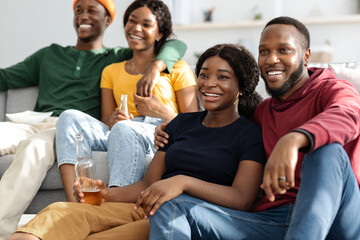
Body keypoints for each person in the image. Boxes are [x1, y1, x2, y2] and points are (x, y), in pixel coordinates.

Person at [7, 43, 266, 240]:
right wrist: (106, 194)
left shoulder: (249, 134)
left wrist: (183, 181)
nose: (209, 83)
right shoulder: (180, 124)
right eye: (204, 74)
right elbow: (147, 184)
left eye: (222, 77)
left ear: (242, 85)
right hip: (141, 207)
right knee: (57, 213)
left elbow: (242, 198)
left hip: (176, 217)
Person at [152, 16, 360, 239]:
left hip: (335, 218)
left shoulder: (333, 90)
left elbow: (349, 114)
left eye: (283, 50)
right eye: (264, 51)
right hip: (271, 222)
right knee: (172, 206)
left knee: (325, 150)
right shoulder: (262, 112)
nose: (271, 59)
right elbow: (222, 132)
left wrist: (295, 139)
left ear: (306, 56)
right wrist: (170, 129)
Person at [0, 0, 187, 238]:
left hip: (68, 128)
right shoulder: (51, 54)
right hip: (30, 122)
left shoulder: (116, 56)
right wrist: (112, 119)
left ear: (108, 20)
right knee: (60, 122)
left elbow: (175, 44)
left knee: (38, 147)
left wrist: (155, 68)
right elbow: (5, 77)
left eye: (91, 10)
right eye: (78, 10)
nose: (83, 16)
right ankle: (78, 209)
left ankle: (86, 214)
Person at [55, 0, 198, 202]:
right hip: (119, 131)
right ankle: (77, 204)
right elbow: (106, 121)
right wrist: (113, 119)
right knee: (69, 117)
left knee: (125, 129)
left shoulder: (177, 68)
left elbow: (195, 125)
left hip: (158, 131)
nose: (136, 28)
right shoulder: (110, 70)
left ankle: (115, 207)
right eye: (132, 21)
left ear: (159, 34)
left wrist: (161, 111)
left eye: (146, 24)